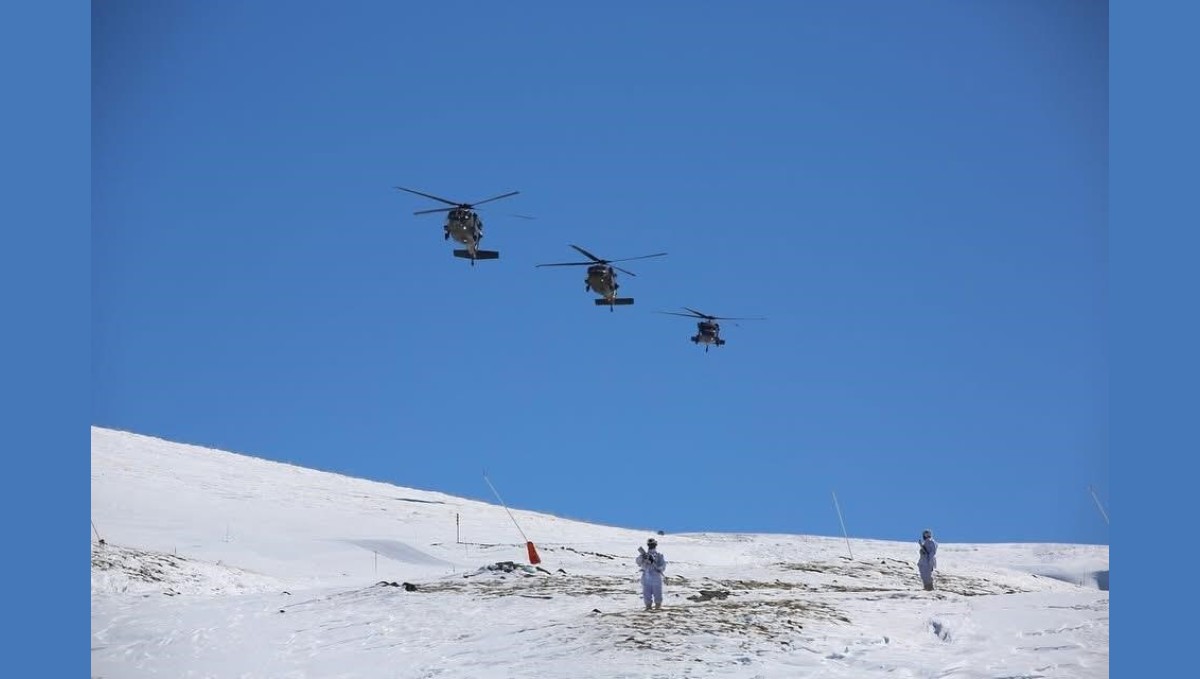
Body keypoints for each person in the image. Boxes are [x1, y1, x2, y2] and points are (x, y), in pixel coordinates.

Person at [636, 537, 667, 610]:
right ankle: (648, 607)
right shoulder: (644, 555)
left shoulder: (659, 555)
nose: (651, 546)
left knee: (657, 592)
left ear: (655, 545)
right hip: (646, 576)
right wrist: (643, 558)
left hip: (656, 576)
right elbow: (638, 562)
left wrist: (659, 568)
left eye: (653, 544)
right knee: (646, 593)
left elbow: (663, 565)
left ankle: (658, 606)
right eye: (650, 544)